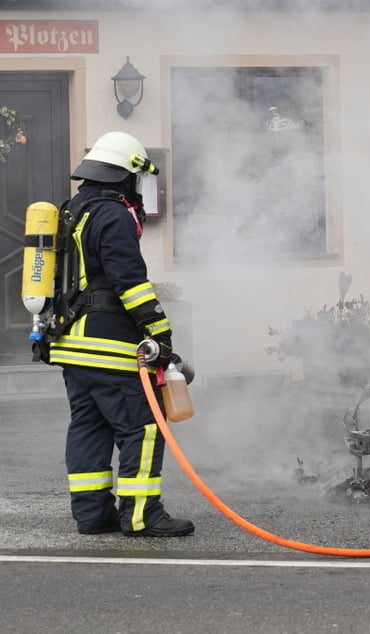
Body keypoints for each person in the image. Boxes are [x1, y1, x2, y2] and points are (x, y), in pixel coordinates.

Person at [48, 131, 194, 537]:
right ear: (127, 175)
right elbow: (129, 282)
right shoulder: (112, 214)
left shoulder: (73, 210)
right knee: (143, 427)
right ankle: (142, 515)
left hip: (71, 345)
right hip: (109, 345)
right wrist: (161, 334)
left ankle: (93, 516)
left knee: (89, 426)